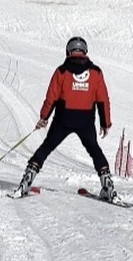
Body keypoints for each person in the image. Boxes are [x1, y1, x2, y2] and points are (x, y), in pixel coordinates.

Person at [11, 36, 118, 201]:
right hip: (86, 120)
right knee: (95, 150)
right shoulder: (96, 72)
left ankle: (27, 181)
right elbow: (103, 100)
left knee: (46, 147)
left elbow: (51, 97)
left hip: (64, 119)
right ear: (85, 52)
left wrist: (44, 117)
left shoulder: (61, 71)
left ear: (68, 51)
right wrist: (105, 123)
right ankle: (108, 186)